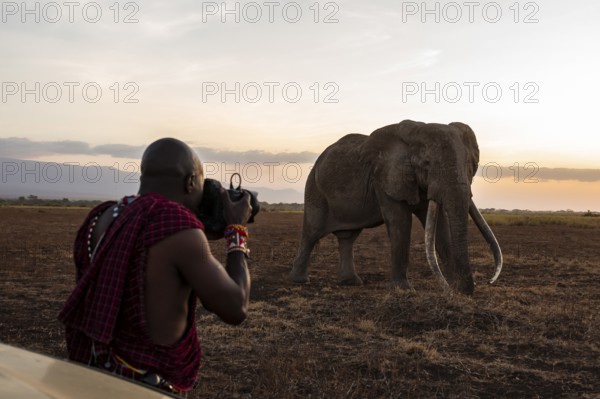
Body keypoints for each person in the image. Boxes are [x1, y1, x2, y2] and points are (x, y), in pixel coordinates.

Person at [58, 138, 252, 395]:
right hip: (148, 387)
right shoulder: (178, 227)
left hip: (96, 378)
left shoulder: (101, 218)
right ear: (191, 181)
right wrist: (236, 230)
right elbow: (235, 307)